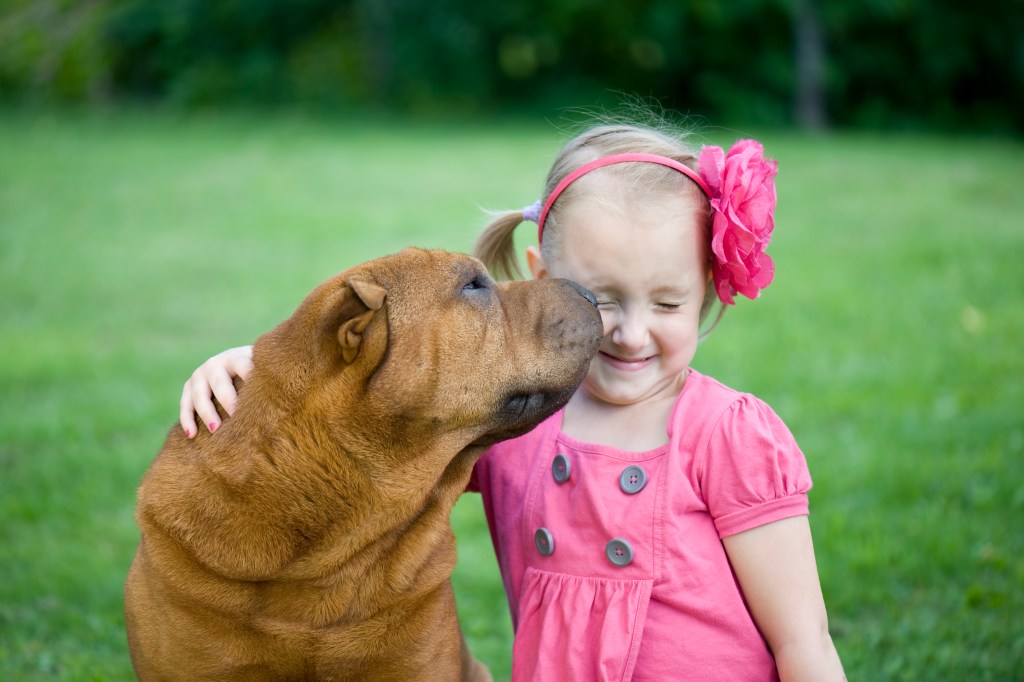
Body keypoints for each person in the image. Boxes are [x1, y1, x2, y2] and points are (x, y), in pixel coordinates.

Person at [178, 121, 846, 681]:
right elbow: (370, 429)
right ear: (545, 284)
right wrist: (252, 369)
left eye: (668, 304)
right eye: (600, 300)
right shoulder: (508, 422)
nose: (631, 332)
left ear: (707, 291)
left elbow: (803, 639)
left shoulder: (726, 432)